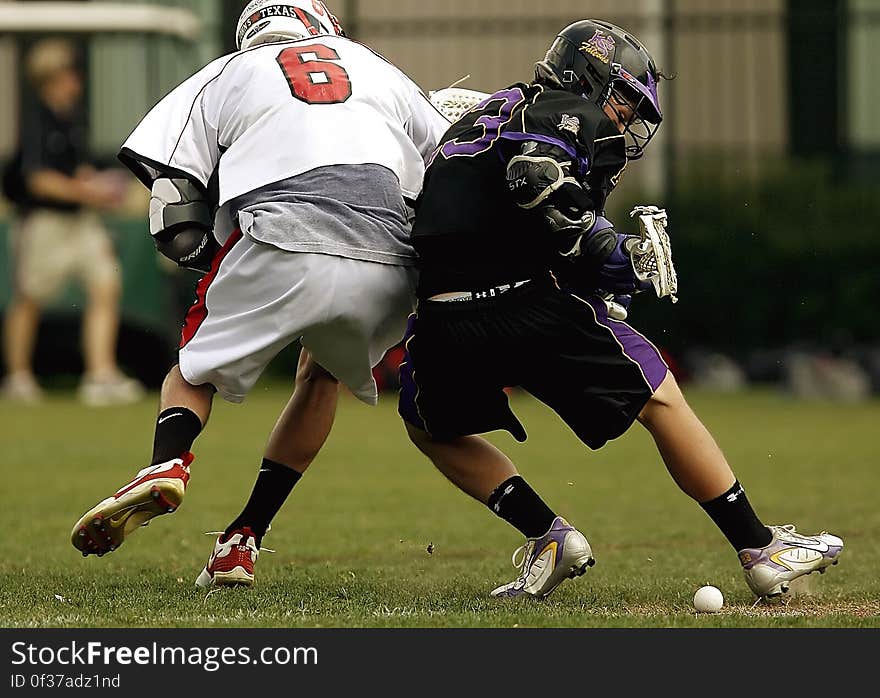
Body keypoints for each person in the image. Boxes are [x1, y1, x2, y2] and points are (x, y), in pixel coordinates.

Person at [398, 19, 843, 600]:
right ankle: (759, 546)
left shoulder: (499, 112)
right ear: (587, 75)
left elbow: (498, 209)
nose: (626, 122)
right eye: (623, 103)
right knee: (658, 392)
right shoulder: (563, 108)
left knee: (429, 427)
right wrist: (609, 246)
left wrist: (603, 274)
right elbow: (534, 177)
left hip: (444, 316)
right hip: (520, 300)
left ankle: (548, 537)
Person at [69, 0, 450, 588]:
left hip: (282, 233)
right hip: (388, 253)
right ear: (323, 28)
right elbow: (450, 163)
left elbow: (172, 191)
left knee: (192, 374)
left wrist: (201, 254)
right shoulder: (374, 64)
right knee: (322, 377)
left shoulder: (228, 71)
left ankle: (166, 462)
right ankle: (242, 538)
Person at [1, 38, 145, 406]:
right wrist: (88, 193)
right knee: (30, 298)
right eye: (68, 73)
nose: (76, 80)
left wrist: (101, 187)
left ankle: (100, 374)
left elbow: (74, 171)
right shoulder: (35, 120)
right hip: (44, 224)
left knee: (105, 286)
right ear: (51, 78)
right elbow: (38, 179)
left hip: (81, 224)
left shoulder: (72, 119)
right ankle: (18, 379)